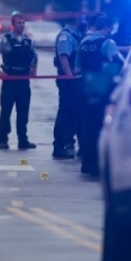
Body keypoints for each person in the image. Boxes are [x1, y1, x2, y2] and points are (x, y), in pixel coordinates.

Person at [76, 13, 123, 176]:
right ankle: (97, 164)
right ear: (107, 28)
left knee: (88, 126)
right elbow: (120, 65)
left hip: (85, 88)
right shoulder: (107, 43)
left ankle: (87, 162)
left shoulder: (83, 43)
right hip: (102, 89)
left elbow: (77, 68)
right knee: (101, 127)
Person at [0, 12, 38, 150]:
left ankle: (23, 140)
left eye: (23, 23)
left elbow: (34, 57)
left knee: (23, 112)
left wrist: (34, 70)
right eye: (19, 23)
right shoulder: (4, 40)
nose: (21, 25)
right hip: (10, 79)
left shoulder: (28, 41)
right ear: (13, 25)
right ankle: (2, 140)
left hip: (24, 80)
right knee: (6, 111)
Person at [52, 16, 81, 159]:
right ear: (76, 20)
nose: (84, 21)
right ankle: (58, 146)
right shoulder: (66, 36)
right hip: (67, 80)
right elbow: (63, 57)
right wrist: (69, 75)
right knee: (64, 113)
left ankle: (67, 142)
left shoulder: (75, 35)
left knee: (71, 112)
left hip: (72, 79)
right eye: (82, 18)